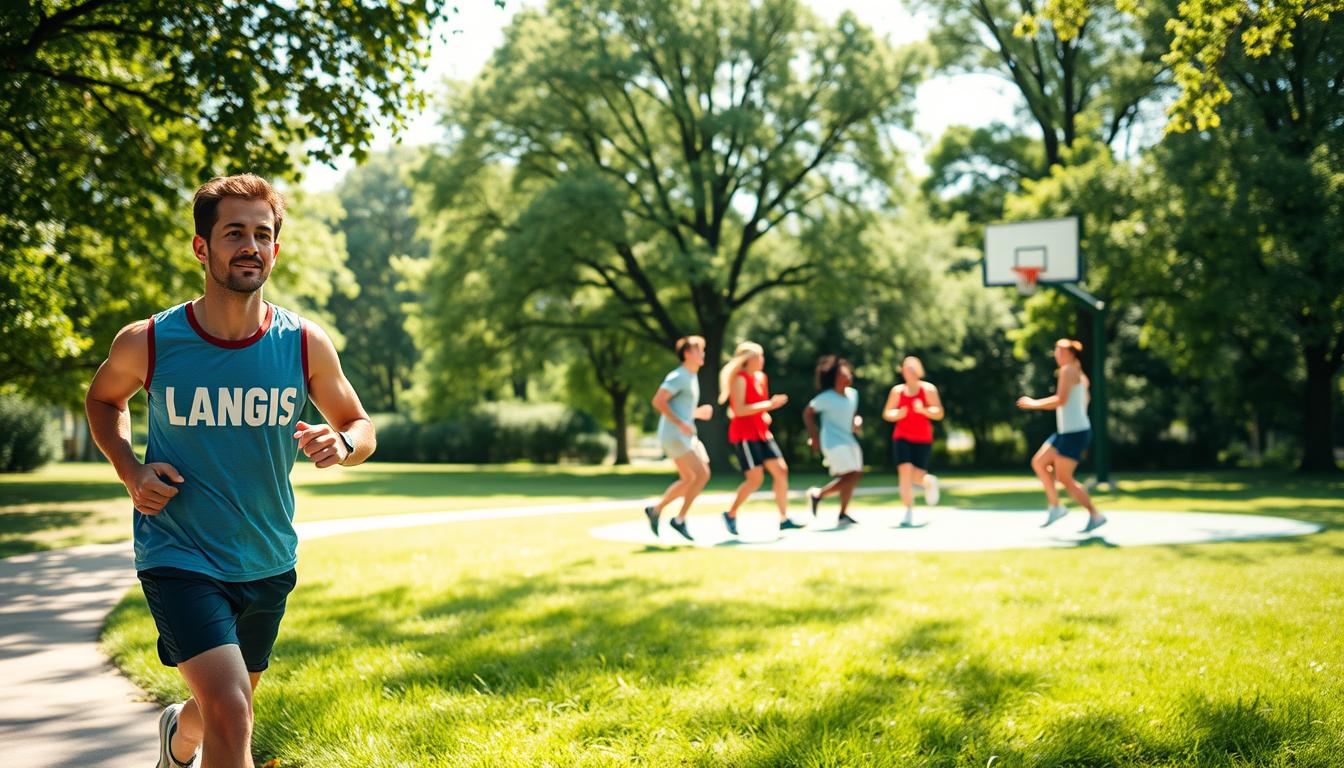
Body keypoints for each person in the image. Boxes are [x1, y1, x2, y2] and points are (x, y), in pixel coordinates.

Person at [84, 174, 376, 768]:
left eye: (262, 234)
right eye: (234, 232)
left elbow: (360, 424)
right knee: (234, 708)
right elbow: (102, 400)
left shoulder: (304, 343)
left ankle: (177, 738)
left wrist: (342, 443)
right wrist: (129, 468)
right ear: (202, 247)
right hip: (179, 553)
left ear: (276, 248)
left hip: (267, 556)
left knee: (226, 705)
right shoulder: (151, 341)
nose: (251, 245)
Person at [1017, 338, 1106, 532]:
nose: (1057, 355)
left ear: (1071, 354)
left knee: (1064, 478)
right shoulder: (1080, 374)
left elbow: (1061, 400)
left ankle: (1095, 514)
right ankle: (1056, 507)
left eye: (1060, 352)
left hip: (1075, 433)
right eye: (1056, 352)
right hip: (1067, 431)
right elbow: (1084, 400)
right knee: (1039, 462)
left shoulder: (1068, 370)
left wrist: (1034, 403)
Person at [718, 341, 797, 536]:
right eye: (758, 356)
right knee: (755, 479)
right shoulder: (740, 379)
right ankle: (731, 513)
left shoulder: (762, 377)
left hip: (762, 432)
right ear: (747, 359)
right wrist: (768, 406)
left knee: (781, 471)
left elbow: (757, 406)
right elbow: (739, 410)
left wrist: (765, 413)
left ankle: (783, 518)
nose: (762, 360)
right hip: (745, 434)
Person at [644, 335, 714, 541]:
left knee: (691, 478)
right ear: (686, 354)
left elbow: (681, 408)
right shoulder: (680, 375)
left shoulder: (691, 377)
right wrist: (681, 423)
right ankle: (680, 519)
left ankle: (655, 510)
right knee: (701, 474)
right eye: (698, 350)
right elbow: (658, 401)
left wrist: (696, 413)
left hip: (683, 433)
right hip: (675, 435)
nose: (702, 353)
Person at [882, 356, 943, 527]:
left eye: (912, 368)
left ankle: (928, 482)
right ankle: (908, 511)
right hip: (902, 437)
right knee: (905, 472)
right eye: (906, 369)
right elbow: (887, 413)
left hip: (923, 438)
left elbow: (939, 412)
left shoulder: (928, 390)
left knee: (917, 476)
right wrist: (898, 414)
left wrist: (923, 410)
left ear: (919, 371)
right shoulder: (897, 391)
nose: (908, 372)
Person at [804, 356, 864, 526]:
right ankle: (818, 495)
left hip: (848, 439)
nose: (848, 375)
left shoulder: (853, 395)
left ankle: (842, 513)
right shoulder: (826, 398)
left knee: (855, 474)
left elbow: (851, 416)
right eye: (844, 373)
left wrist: (856, 422)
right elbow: (807, 413)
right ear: (835, 377)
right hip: (832, 441)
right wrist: (814, 436)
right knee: (850, 475)